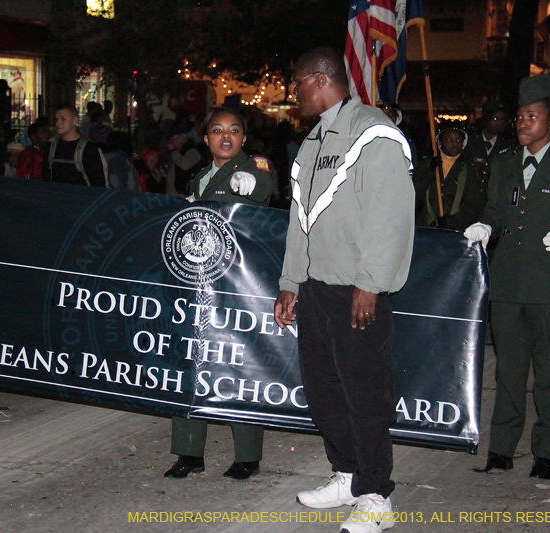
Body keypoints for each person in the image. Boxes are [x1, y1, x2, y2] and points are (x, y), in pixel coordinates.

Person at [272, 47, 414, 532]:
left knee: (365, 392)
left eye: (296, 84)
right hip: (314, 289)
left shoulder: (372, 131)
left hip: (355, 289)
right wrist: (290, 282)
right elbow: (300, 222)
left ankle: (377, 494)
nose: (294, 94)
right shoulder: (313, 142)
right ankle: (348, 474)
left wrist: (370, 283)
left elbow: (389, 214)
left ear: (317, 80)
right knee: (324, 389)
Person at [464, 74, 550, 480]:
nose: (522, 123)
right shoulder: (504, 161)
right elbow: (494, 210)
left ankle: (547, 453)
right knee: (508, 370)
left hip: (548, 284)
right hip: (506, 283)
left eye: (531, 116)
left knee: (549, 372)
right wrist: (486, 228)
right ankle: (501, 450)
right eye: (519, 116)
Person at [164, 107, 272, 482]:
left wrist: (250, 182)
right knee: (190, 362)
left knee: (237, 366)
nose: (225, 137)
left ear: (243, 138)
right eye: (216, 130)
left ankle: (248, 455)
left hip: (238, 288)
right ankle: (189, 452)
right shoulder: (200, 178)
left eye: (234, 131)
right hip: (200, 285)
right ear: (206, 138)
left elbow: (262, 188)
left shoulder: (254, 167)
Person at [415, 122, 484, 231]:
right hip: (425, 228)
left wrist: (451, 221)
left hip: (454, 230)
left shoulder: (468, 170)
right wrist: (429, 173)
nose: (454, 144)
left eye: (458, 140)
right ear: (440, 142)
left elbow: (473, 205)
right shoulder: (426, 164)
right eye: (449, 140)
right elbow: (415, 194)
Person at [42, 105, 108, 187]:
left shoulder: (89, 148)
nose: (58, 123)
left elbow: (98, 183)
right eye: (56, 119)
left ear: (75, 121)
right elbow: (45, 177)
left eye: (63, 119)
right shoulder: (51, 147)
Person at [463, 99, 512, 199]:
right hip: (468, 200)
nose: (499, 123)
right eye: (495, 118)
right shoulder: (470, 142)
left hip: (491, 202)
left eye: (503, 120)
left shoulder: (506, 146)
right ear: (486, 118)